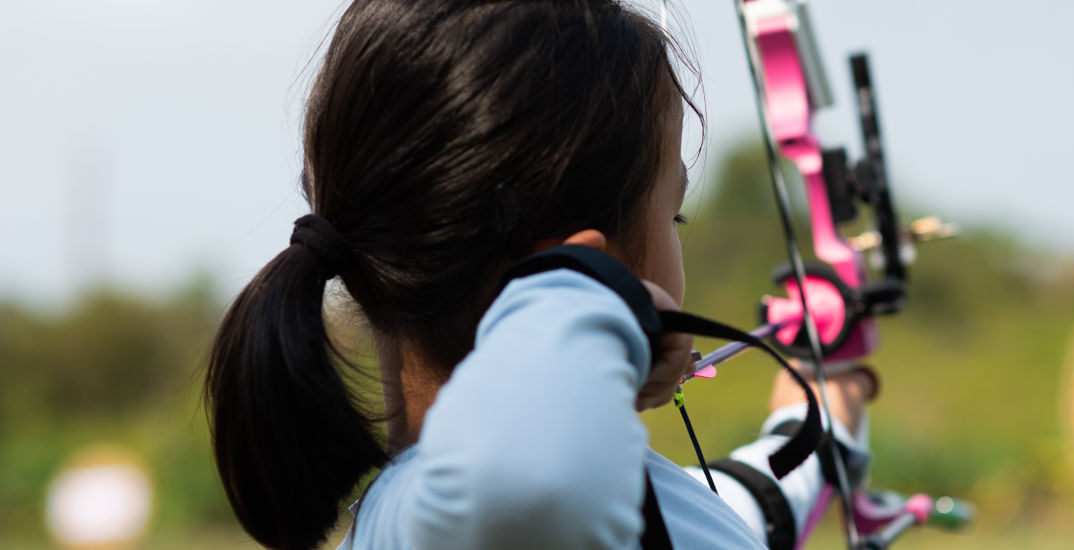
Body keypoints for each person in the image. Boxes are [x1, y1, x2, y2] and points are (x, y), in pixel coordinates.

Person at [203, 0, 876, 548]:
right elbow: (532, 482)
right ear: (573, 258)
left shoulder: (440, 506)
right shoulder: (451, 519)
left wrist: (817, 419)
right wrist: (587, 287)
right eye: (672, 216)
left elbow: (705, 519)